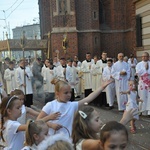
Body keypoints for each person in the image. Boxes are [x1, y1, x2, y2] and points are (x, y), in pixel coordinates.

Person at [37, 78, 113, 137]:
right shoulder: (50, 105)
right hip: (53, 140)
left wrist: (102, 87)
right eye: (66, 93)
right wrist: (50, 124)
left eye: (70, 92)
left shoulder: (72, 105)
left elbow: (88, 98)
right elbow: (38, 121)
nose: (69, 95)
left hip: (69, 140)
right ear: (57, 93)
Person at [72, 106, 137, 150]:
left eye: (122, 147)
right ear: (86, 123)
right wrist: (124, 120)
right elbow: (109, 138)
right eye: (97, 120)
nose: (101, 122)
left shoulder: (95, 135)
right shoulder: (84, 143)